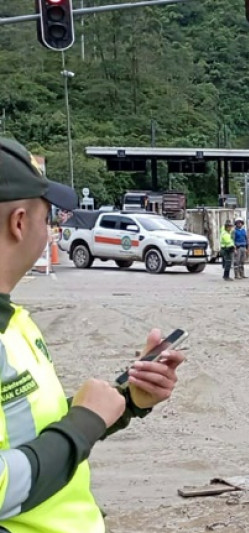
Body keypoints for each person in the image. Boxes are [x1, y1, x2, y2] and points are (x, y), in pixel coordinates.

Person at [0, 137, 184, 531]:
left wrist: (126, 401)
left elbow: (31, 435)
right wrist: (83, 422)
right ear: (19, 223)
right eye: (47, 217)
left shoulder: (14, 321)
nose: (50, 231)